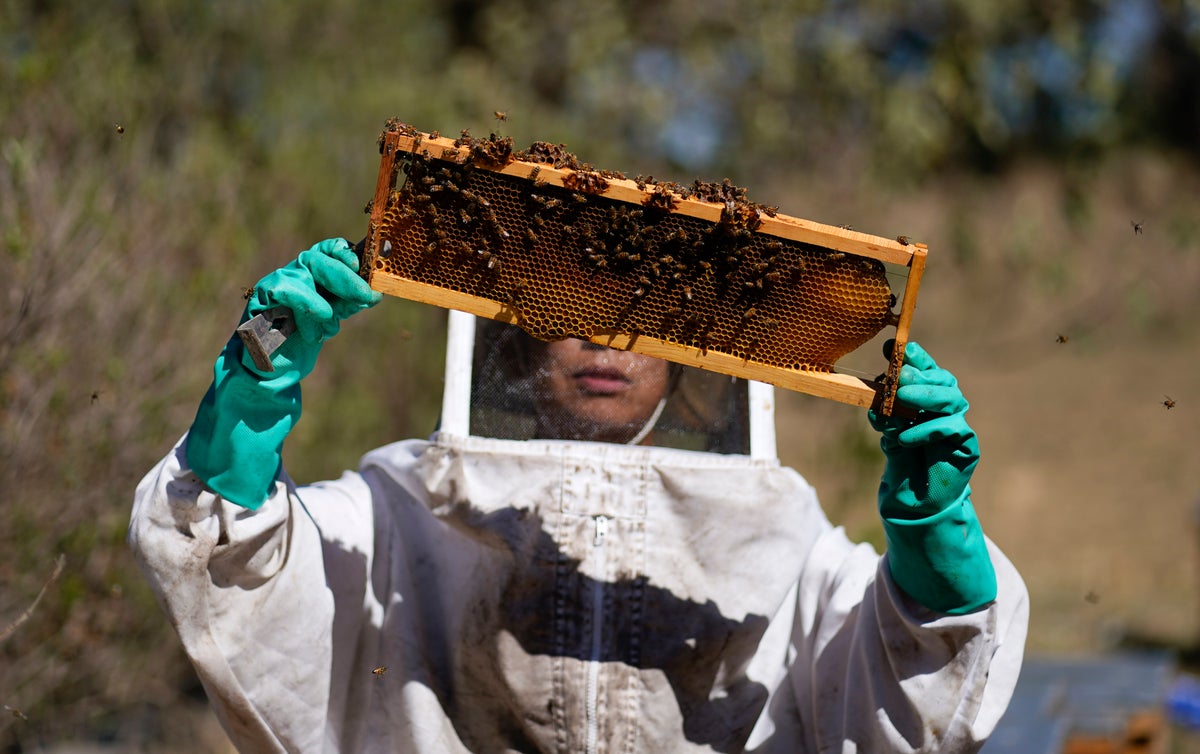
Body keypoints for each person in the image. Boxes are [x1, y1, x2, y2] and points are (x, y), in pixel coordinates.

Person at [129, 238, 1028, 753]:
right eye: (574, 309)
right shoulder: (408, 498)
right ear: (517, 337)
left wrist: (933, 532)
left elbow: (906, 673)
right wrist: (246, 410)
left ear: (695, 354)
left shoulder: (777, 522)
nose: (610, 342)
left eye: (650, 317)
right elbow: (241, 561)